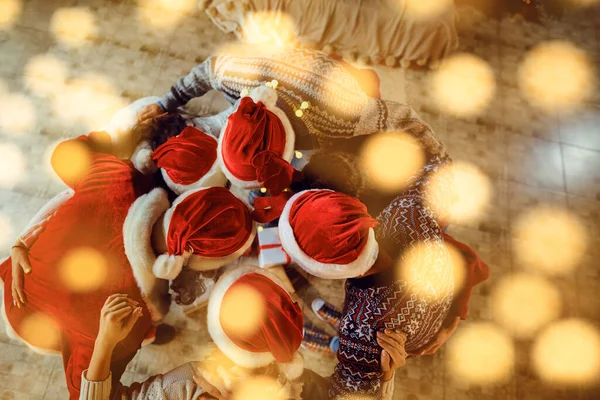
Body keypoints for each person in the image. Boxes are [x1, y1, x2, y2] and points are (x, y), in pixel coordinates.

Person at [2, 129, 255, 399]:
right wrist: (106, 343)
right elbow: (82, 393)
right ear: (197, 259)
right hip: (32, 314)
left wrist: (110, 141)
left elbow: (63, 155)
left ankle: (150, 336)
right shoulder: (128, 314)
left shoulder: (120, 176)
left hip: (24, 275)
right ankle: (151, 336)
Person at [79, 268, 409, 400]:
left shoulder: (179, 388)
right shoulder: (303, 386)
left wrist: (104, 342)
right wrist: (383, 376)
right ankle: (329, 339)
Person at [135, 47, 444, 158]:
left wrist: (439, 161)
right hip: (276, 68)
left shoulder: (343, 117)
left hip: (330, 81)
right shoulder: (231, 73)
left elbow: (406, 118)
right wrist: (166, 103)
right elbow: (206, 70)